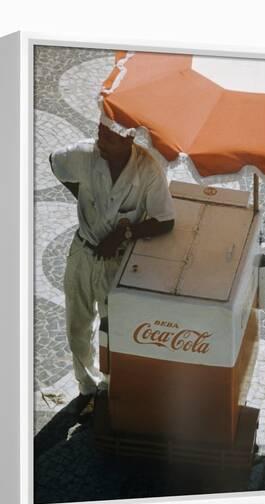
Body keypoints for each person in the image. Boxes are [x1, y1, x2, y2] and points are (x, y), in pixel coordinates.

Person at [49, 116, 175, 409]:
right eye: (99, 134)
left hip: (118, 264)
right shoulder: (85, 154)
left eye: (108, 138)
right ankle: (86, 385)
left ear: (129, 139)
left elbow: (165, 221)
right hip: (82, 252)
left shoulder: (148, 170)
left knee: (114, 328)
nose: (100, 142)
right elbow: (55, 161)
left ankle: (111, 385)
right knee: (77, 326)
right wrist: (80, 194)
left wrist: (124, 233)